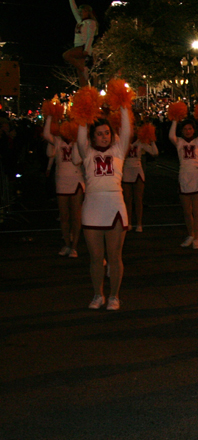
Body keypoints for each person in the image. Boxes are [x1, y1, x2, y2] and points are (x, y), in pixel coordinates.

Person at [73, 109, 131, 310]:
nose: (104, 137)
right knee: (96, 258)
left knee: (114, 256)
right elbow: (81, 135)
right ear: (92, 136)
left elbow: (126, 131)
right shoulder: (86, 152)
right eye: (99, 133)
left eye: (107, 133)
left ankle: (114, 296)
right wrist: (83, 108)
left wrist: (123, 105)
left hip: (115, 205)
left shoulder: (118, 151)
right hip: (92, 207)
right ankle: (98, 294)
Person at [43, 115, 83, 257]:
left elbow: (78, 161)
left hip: (77, 180)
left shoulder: (78, 142)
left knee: (76, 215)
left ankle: (75, 246)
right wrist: (49, 116)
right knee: (64, 215)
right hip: (61, 181)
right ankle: (66, 243)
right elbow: (46, 135)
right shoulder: (58, 141)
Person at [169, 117, 198, 249]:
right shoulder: (179, 142)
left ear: (194, 130)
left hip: (197, 175)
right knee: (187, 210)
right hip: (184, 176)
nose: (188, 131)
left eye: (190, 128)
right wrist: (175, 118)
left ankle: (196, 238)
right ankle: (190, 234)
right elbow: (171, 136)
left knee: (197, 210)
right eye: (185, 129)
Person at [122, 123, 159, 232]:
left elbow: (155, 153)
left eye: (135, 129)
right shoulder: (123, 142)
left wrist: (152, 140)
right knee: (127, 199)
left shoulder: (141, 142)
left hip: (137, 170)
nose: (133, 131)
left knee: (138, 199)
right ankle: (128, 222)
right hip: (126, 170)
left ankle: (139, 223)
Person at [63, 0, 97, 87]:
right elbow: (73, 9)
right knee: (80, 74)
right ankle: (85, 93)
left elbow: (90, 37)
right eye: (80, 11)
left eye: (83, 11)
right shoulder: (80, 21)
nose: (81, 13)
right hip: (77, 46)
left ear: (88, 12)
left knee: (66, 55)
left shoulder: (91, 23)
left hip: (82, 47)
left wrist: (86, 49)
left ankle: (84, 69)